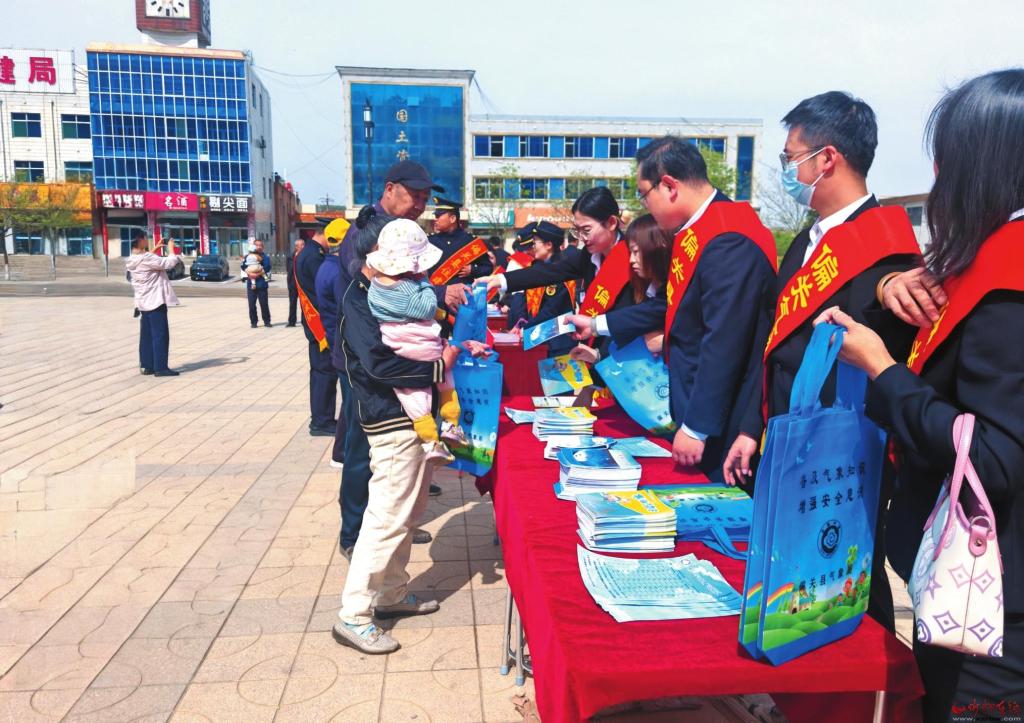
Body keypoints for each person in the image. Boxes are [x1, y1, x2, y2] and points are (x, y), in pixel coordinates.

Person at [814, 68, 1024, 721]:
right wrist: (887, 292)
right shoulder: (988, 264)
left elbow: (991, 458)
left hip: (989, 611)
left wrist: (883, 370)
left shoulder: (1009, 282)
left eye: (946, 159)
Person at [723, 91, 919, 489]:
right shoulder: (804, 242)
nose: (786, 169)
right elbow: (773, 342)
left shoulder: (888, 249)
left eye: (790, 158)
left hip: (840, 458)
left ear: (826, 158)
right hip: (783, 436)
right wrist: (750, 426)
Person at [570, 136, 777, 481]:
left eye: (643, 194)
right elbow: (670, 303)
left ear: (669, 186)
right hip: (696, 402)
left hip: (723, 417)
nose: (644, 204)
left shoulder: (728, 237)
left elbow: (724, 341)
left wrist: (697, 427)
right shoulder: (697, 230)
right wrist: (596, 324)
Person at [332, 210, 488, 654]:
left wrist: (451, 349)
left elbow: (424, 333)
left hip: (417, 417)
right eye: (415, 269)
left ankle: (392, 593)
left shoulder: (390, 290)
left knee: (409, 511)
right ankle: (354, 614)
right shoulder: (360, 300)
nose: (420, 277)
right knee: (386, 517)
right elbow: (380, 366)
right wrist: (440, 366)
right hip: (391, 419)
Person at [333, 161, 463, 555]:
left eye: (425, 199)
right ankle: (355, 534)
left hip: (401, 361)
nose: (421, 205)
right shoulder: (368, 232)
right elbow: (380, 288)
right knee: (364, 451)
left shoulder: (404, 232)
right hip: (370, 364)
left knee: (403, 449)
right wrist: (434, 297)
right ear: (390, 189)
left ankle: (395, 526)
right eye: (415, 196)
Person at [480, 186, 631, 364]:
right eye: (577, 231)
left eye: (586, 230)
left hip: (621, 356)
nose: (582, 237)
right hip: (592, 352)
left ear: (611, 223)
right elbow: (552, 272)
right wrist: (500, 279)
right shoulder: (590, 255)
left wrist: (600, 355)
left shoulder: (632, 258)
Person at [365, 218, 467, 463]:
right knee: (445, 381)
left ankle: (431, 441)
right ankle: (450, 425)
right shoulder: (409, 287)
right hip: (422, 346)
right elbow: (426, 307)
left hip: (397, 344)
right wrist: (425, 281)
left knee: (414, 397)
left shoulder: (376, 285)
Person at [505, 221, 577, 357]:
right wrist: (520, 323)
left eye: (535, 242)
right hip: (538, 337)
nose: (533, 247)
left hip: (558, 342)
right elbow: (527, 298)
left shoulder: (561, 271)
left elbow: (551, 310)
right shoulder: (537, 268)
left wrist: (526, 328)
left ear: (549, 245)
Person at [314, 218, 351, 467]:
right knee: (351, 402)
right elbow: (347, 309)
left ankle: (343, 451)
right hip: (343, 343)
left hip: (336, 339)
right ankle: (341, 453)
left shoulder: (326, 266)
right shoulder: (339, 273)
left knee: (350, 401)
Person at [296, 217, 337, 436]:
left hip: (316, 322)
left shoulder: (310, 253)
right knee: (324, 373)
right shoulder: (314, 257)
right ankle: (321, 421)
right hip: (319, 325)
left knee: (322, 373)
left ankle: (322, 418)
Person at [125, 229, 182, 377]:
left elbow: (144, 260)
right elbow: (169, 263)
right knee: (160, 335)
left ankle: (147, 365)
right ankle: (161, 368)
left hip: (143, 303)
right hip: (156, 302)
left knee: (147, 336)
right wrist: (171, 249)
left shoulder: (131, 259)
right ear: (141, 240)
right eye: (146, 238)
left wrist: (155, 249)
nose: (147, 241)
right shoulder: (148, 258)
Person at [426, 196, 493, 282]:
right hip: (436, 290)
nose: (435, 219)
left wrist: (473, 270)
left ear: (452, 219)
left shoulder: (471, 241)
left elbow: (488, 268)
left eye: (438, 216)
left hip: (463, 290)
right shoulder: (430, 241)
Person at [241, 239, 272, 328]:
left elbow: (267, 268)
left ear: (263, 247)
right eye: (257, 245)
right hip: (251, 284)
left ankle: (267, 321)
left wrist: (257, 274)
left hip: (262, 283)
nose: (259, 247)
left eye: (260, 245)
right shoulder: (248, 256)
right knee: (251, 304)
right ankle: (253, 322)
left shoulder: (265, 257)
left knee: (264, 304)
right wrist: (249, 273)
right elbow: (243, 266)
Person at [286, 237, 305, 327]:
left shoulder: (305, 256)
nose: (303, 246)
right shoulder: (290, 256)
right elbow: (288, 269)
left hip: (302, 283)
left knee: (303, 304)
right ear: (296, 247)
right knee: (292, 302)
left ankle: (304, 321)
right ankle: (291, 321)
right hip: (293, 283)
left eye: (303, 245)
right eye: (301, 245)